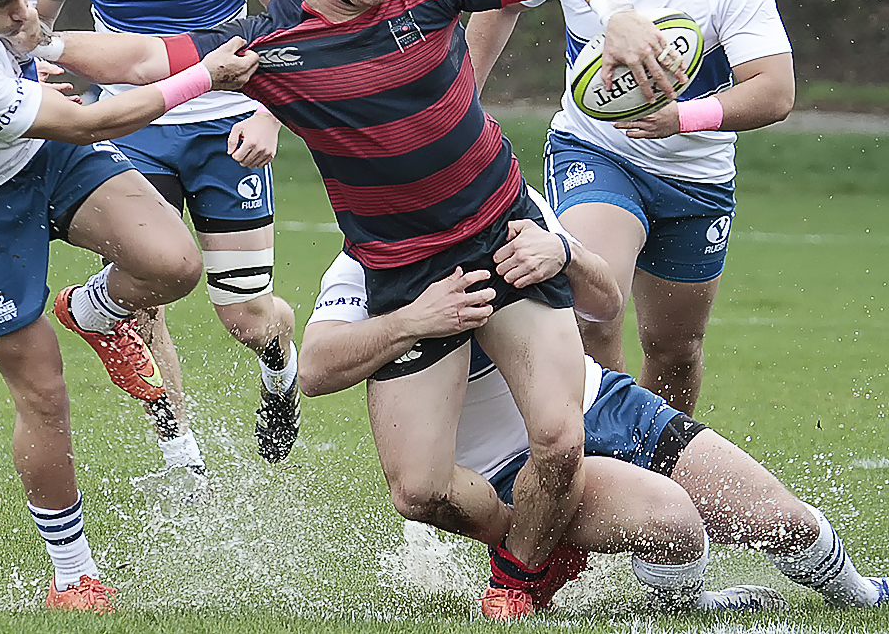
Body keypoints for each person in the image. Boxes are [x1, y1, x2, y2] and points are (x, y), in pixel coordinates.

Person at [46, 0, 677, 619]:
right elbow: (143, 58)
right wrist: (34, 48)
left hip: (502, 233)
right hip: (404, 273)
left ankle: (513, 585)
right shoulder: (273, 41)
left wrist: (612, 7)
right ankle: (526, 546)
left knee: (557, 438)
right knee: (418, 490)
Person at [0, 0, 283, 613]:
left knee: (173, 264)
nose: (18, 12)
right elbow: (96, 118)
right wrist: (208, 73)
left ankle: (95, 310)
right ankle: (74, 574)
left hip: (38, 150)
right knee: (43, 391)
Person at [298, 215, 889, 614]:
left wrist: (564, 252)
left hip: (603, 401)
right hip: (517, 464)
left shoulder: (506, 206)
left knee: (785, 524)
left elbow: (605, 303)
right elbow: (316, 369)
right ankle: (680, 605)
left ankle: (864, 598)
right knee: (674, 525)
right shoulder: (370, 261)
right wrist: (413, 320)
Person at [467, 0, 795, 415]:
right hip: (595, 153)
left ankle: (664, 467)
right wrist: (464, 104)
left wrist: (684, 118)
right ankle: (609, 467)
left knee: (675, 349)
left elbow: (775, 90)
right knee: (596, 311)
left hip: (696, 176)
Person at [41, 0, 300, 475]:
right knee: (141, 294)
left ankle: (279, 371)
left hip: (226, 126)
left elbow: (295, 15)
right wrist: (26, 72)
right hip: (132, 122)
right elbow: (26, 20)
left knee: (244, 316)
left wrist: (269, 112)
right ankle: (179, 455)